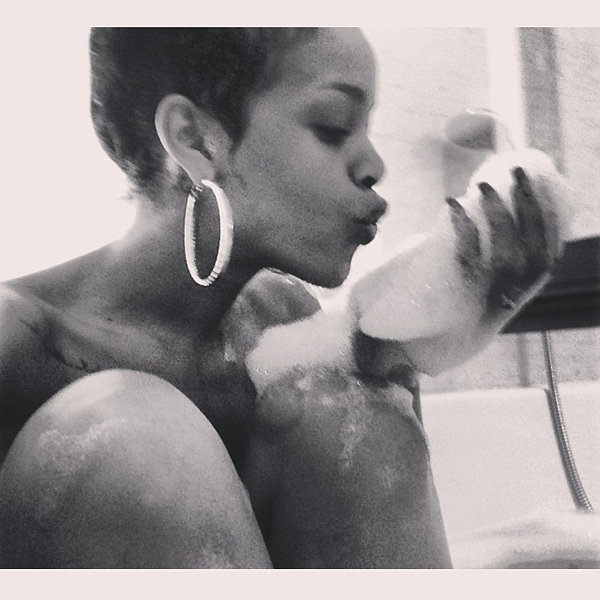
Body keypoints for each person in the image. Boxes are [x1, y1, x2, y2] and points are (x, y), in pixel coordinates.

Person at [0, 28, 554, 568]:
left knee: (353, 416)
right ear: (194, 139)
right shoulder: (18, 343)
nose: (375, 166)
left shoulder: (281, 319)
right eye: (332, 127)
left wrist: (408, 349)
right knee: (132, 437)